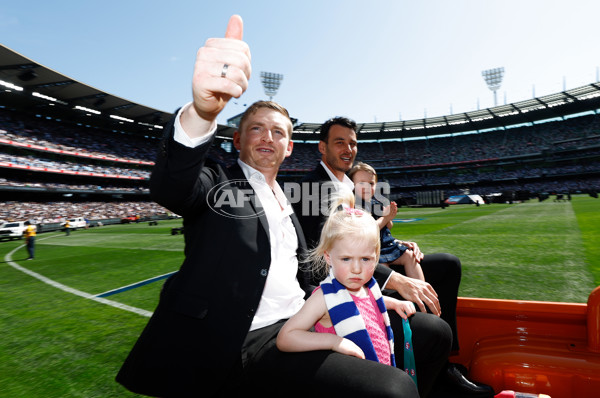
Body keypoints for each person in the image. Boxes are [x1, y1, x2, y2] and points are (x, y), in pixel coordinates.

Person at [116, 15, 450, 398]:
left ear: (288, 148)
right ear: (239, 139)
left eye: (278, 132)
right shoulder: (219, 183)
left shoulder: (288, 199)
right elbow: (173, 187)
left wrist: (375, 294)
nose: (267, 138)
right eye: (257, 128)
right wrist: (202, 113)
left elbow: (311, 271)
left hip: (305, 318)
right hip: (246, 342)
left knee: (433, 333)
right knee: (392, 390)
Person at [292, 117, 493, 397]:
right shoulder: (313, 190)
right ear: (322, 148)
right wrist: (395, 280)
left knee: (447, 265)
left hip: (369, 271)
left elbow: (365, 238)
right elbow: (332, 256)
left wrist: (398, 243)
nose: (348, 148)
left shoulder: (348, 188)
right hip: (342, 290)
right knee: (435, 331)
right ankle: (427, 381)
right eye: (340, 142)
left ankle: (446, 364)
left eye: (352, 143)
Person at [277, 190, 418, 385]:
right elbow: (286, 338)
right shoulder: (323, 298)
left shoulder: (367, 286)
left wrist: (392, 302)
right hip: (354, 381)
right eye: (346, 259)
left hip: (380, 369)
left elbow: (365, 303)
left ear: (376, 257)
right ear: (328, 257)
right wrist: (334, 342)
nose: (357, 269)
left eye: (366, 259)